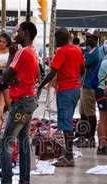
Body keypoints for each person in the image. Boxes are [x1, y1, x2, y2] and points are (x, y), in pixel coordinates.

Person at [0, 21, 39, 184]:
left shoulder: (22, 51)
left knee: (5, 143)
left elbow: (5, 75)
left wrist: (11, 57)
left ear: (26, 33)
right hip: (29, 99)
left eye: (18, 31)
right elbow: (34, 75)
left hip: (21, 101)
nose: (15, 34)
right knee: (23, 141)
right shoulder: (33, 52)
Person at [37, 28, 85, 167]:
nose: (55, 40)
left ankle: (69, 157)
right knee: (67, 120)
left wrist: (41, 85)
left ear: (60, 38)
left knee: (66, 122)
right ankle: (68, 155)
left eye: (56, 37)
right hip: (75, 88)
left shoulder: (62, 51)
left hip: (66, 89)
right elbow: (82, 68)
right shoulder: (77, 50)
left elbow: (53, 71)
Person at [76, 29, 100, 148]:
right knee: (83, 113)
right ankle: (83, 136)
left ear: (95, 39)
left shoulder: (95, 53)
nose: (87, 39)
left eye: (89, 37)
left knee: (90, 113)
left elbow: (82, 64)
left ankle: (90, 138)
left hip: (90, 86)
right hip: (85, 85)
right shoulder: (90, 50)